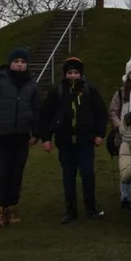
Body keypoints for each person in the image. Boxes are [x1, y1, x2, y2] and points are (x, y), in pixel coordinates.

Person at [0, 47, 40, 227]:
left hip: (21, 137)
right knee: (0, 174)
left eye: (23, 62)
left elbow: (36, 110)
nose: (20, 65)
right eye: (16, 62)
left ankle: (12, 208)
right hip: (0, 136)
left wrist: (35, 132)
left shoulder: (31, 85)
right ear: (10, 63)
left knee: (16, 174)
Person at [40, 57, 107, 223]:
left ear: (81, 74)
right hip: (65, 142)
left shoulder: (90, 91)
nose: (73, 76)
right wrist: (46, 138)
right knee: (68, 176)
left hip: (86, 140)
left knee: (87, 174)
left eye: (76, 72)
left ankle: (91, 209)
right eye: (70, 72)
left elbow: (101, 113)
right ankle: (70, 211)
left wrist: (99, 134)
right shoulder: (57, 92)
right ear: (65, 74)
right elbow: (45, 115)